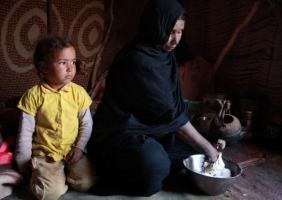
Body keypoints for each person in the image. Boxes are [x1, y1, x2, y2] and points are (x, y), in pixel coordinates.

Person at [88, 0, 219, 196]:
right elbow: (170, 115)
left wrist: (203, 109)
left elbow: (170, 105)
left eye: (180, 31)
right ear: (155, 26)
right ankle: (154, 164)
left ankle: (160, 160)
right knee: (154, 166)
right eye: (171, 31)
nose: (176, 40)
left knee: (209, 140)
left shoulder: (164, 56)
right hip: (123, 132)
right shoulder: (138, 61)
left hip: (155, 129)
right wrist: (209, 150)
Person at [14, 35, 98, 200]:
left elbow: (86, 123)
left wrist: (80, 148)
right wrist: (23, 164)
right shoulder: (33, 95)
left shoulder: (78, 93)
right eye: (62, 63)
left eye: (73, 62)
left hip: (72, 150)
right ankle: (50, 176)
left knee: (85, 183)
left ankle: (67, 173)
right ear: (43, 67)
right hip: (46, 153)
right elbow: (24, 132)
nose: (70, 68)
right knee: (48, 193)